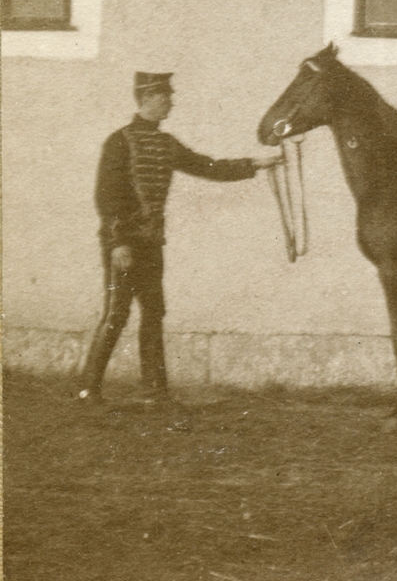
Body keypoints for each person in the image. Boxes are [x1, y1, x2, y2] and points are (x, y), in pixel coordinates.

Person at [77, 71, 281, 406]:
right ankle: (88, 389)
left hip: (152, 243)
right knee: (116, 313)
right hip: (124, 244)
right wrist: (118, 244)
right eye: (164, 96)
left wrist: (255, 163)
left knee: (154, 312)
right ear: (147, 99)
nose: (170, 101)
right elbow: (107, 196)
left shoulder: (167, 144)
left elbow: (208, 166)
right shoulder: (119, 141)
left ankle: (155, 391)